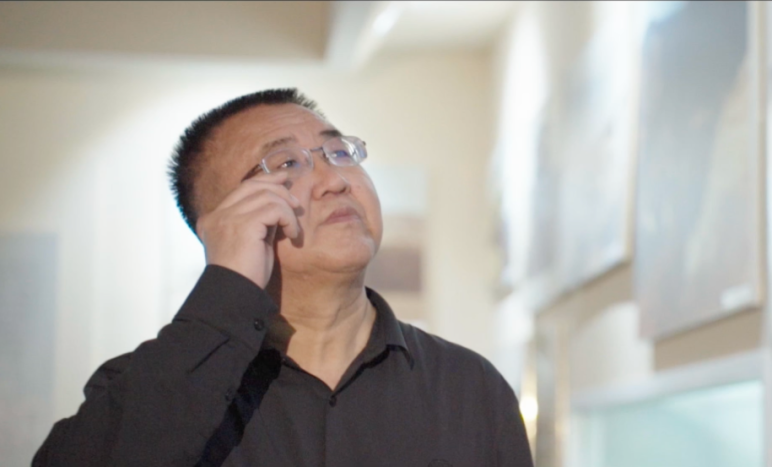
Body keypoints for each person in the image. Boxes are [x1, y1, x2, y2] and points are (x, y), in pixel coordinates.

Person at [32, 89, 533, 467]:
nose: (335, 180)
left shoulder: (469, 386)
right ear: (223, 222)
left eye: (339, 153)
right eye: (287, 163)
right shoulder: (150, 387)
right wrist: (225, 283)